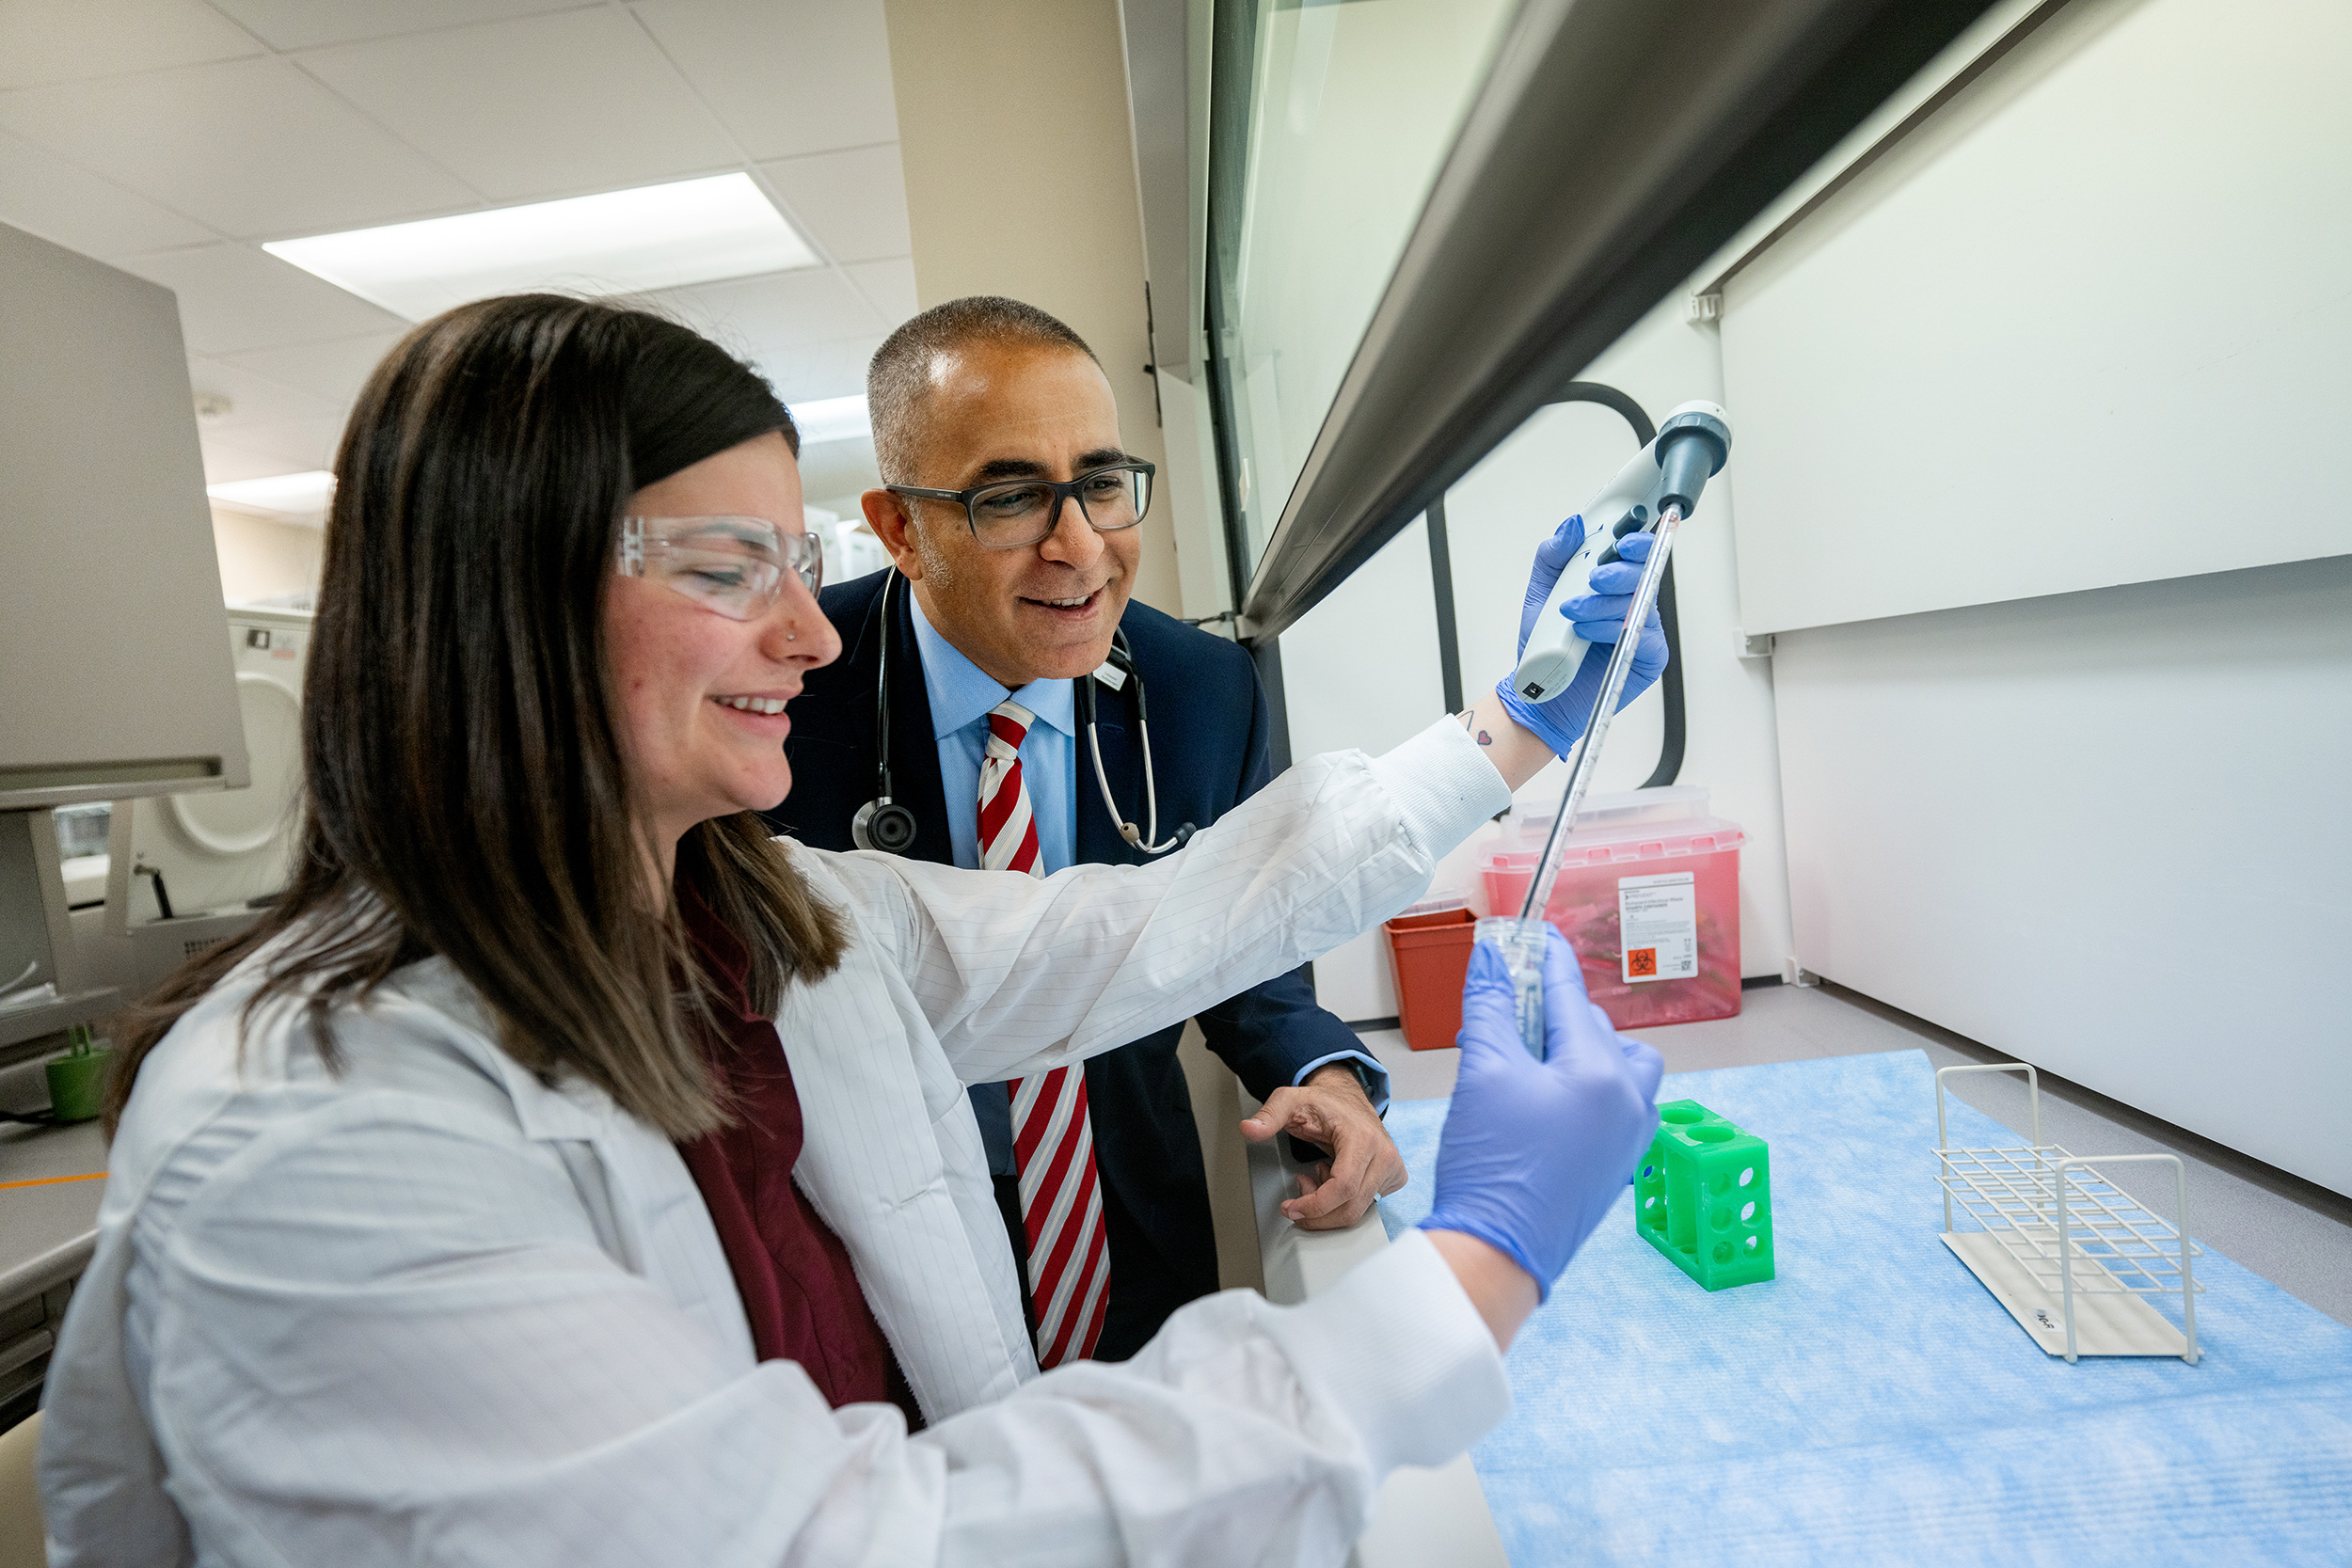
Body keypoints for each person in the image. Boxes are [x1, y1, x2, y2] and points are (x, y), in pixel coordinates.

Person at [40, 295, 1667, 1565]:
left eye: (795, 562)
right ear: (509, 596)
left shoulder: (767, 916)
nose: (811, 632)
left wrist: (1511, 731)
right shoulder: (316, 1133)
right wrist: (1466, 1282)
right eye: (729, 566)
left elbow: (1148, 927)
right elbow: (835, 1541)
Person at [773, 296, 1404, 1367]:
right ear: (897, 528)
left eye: (1102, 483)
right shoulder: (791, 690)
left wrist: (1329, 1078)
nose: (1081, 546)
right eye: (1011, 495)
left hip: (1127, 1210)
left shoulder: (1202, 689)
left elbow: (1244, 949)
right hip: (864, 1231)